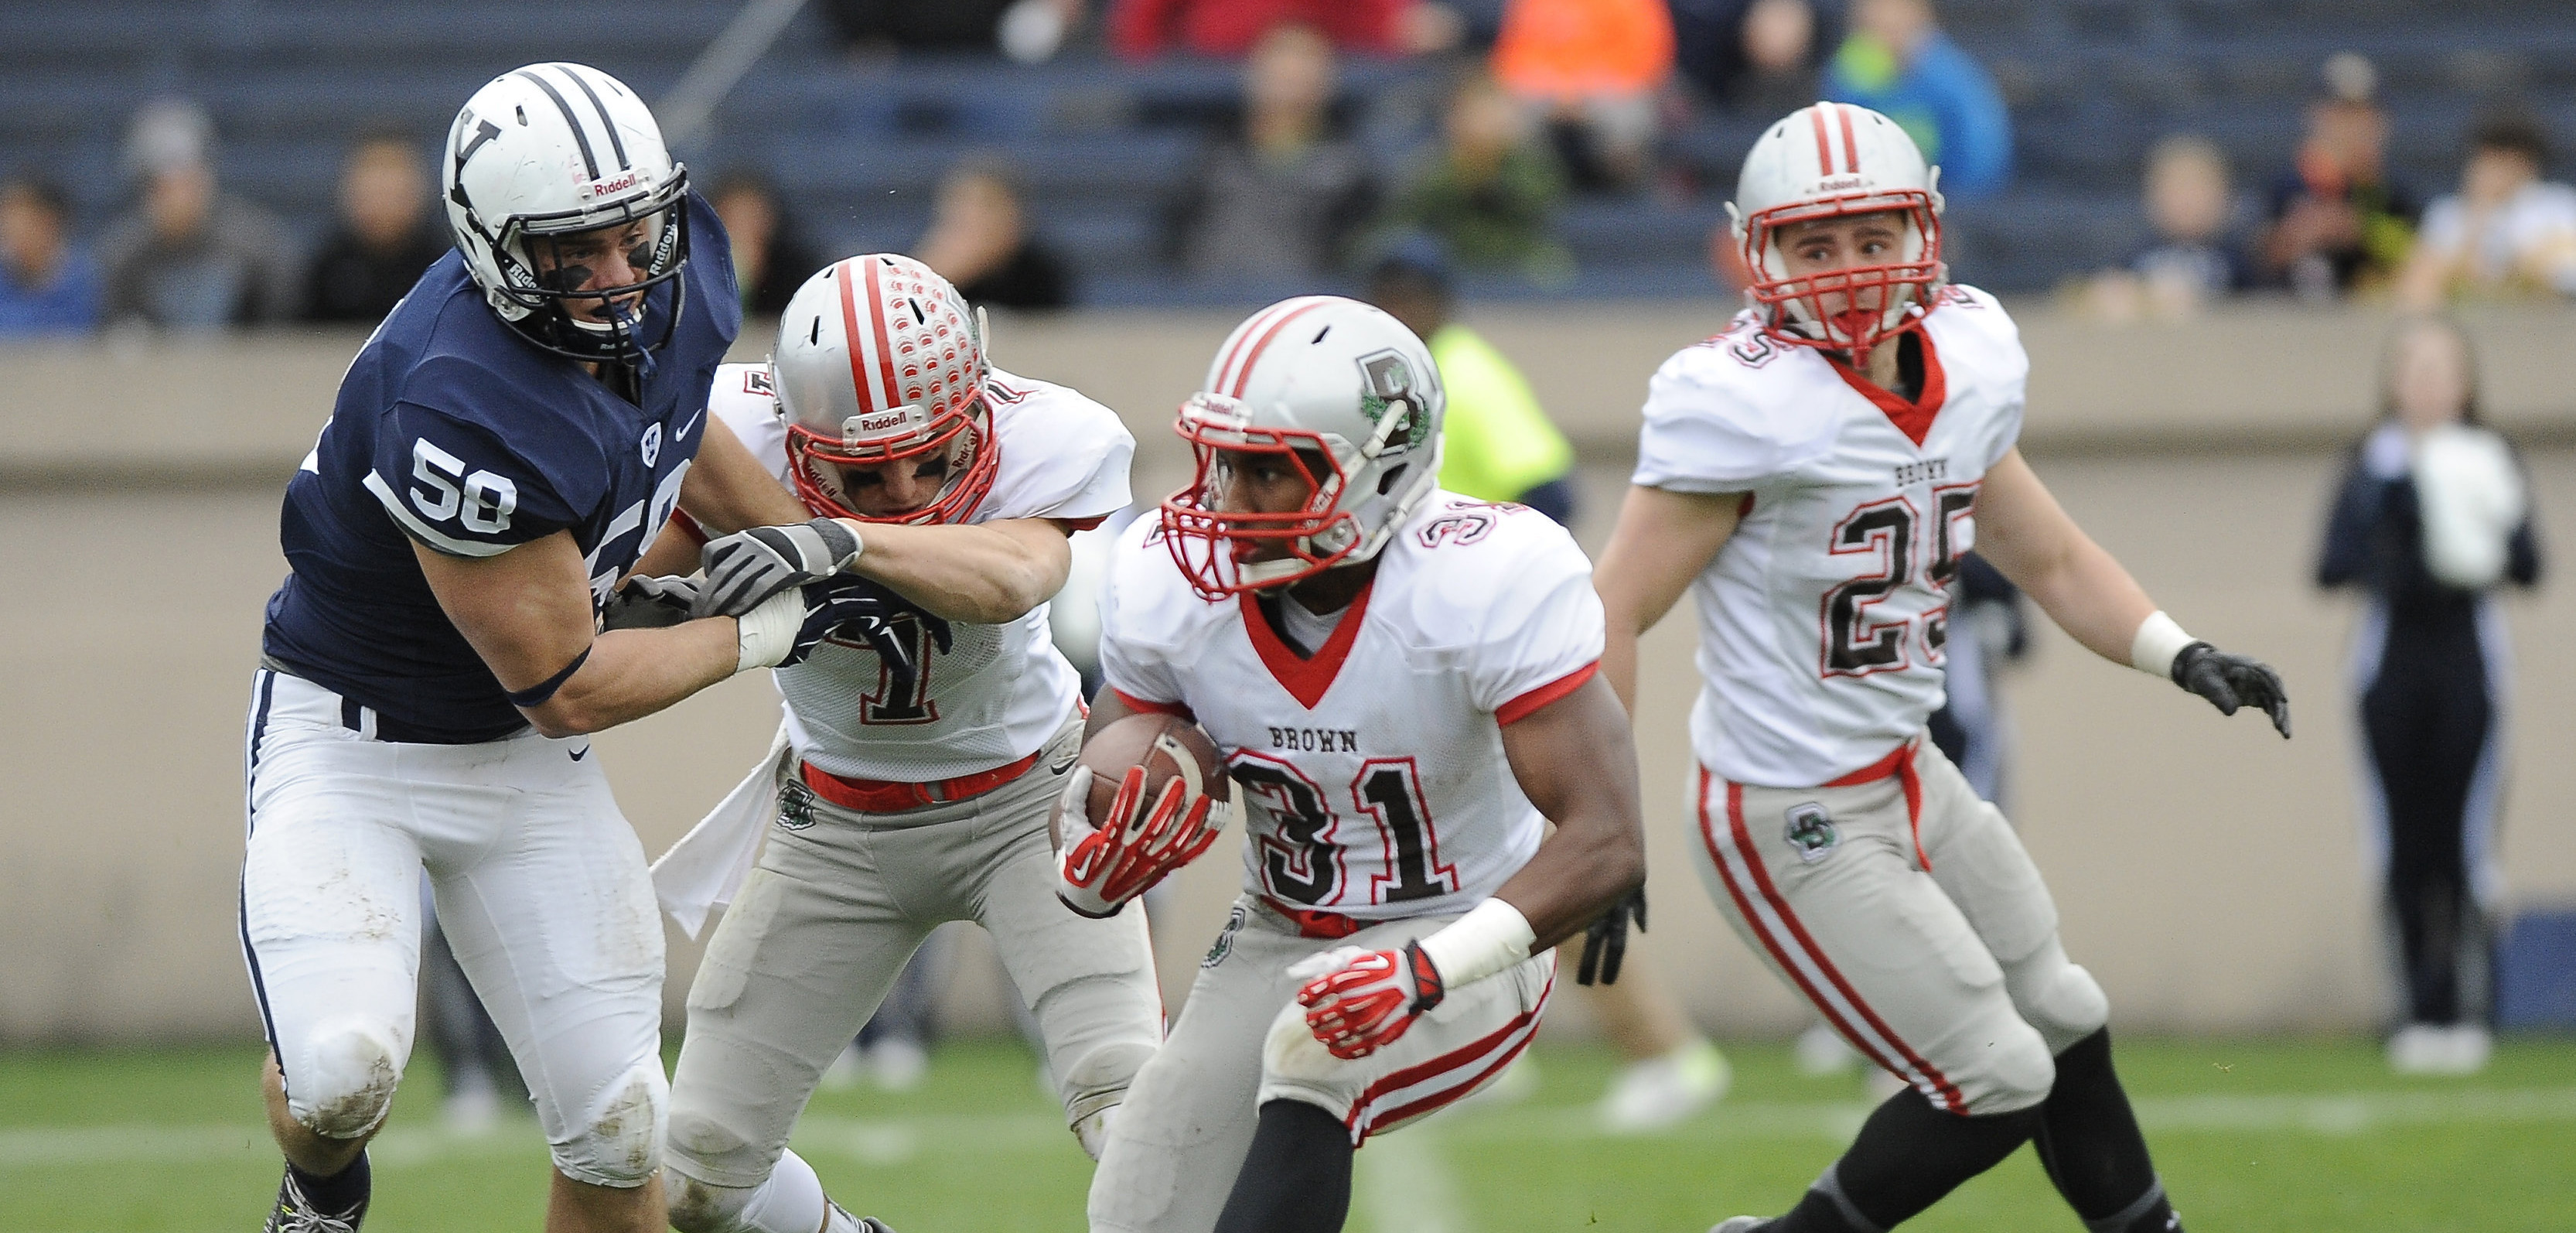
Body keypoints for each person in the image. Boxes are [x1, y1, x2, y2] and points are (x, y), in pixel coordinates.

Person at [1591, 102, 2291, 1233]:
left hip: (1907, 771)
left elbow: (2047, 553)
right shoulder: (1739, 402)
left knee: (2063, 1014)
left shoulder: (1964, 358)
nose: (1850, 270)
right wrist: (1603, 827)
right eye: (1813, 245)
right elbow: (1609, 609)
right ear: (1757, 252)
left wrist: (2179, 650)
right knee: (1994, 1075)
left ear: (1922, 233)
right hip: (1784, 809)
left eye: (1871, 237)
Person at [241, 62, 909, 1233]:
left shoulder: (681, 261)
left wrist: (804, 545)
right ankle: (321, 1186)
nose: (618, 275)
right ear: (495, 249)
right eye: (570, 253)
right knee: (341, 1073)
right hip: (360, 745)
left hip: (514, 766)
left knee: (616, 1128)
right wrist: (768, 625)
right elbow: (568, 686)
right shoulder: (455, 399)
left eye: (629, 232)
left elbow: (677, 419)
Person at [1079, 294, 1648, 1233]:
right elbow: (1120, 749)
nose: (1228, 501)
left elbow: (1608, 840)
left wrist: (1426, 968)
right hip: (1274, 929)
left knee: (1317, 1048)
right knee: (1138, 1210)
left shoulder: (1481, 579)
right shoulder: (1162, 578)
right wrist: (1095, 839)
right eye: (1225, 464)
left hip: (1459, 935)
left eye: (1272, 474)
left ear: (1378, 475)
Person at [643, 254, 1163, 1233]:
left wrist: (835, 535)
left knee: (1131, 1113)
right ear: (792, 436)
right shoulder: (728, 432)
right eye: (862, 474)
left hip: (1029, 810)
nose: (903, 488)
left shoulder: (1050, 432)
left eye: (933, 459)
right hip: (835, 828)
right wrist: (655, 584)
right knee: (696, 1177)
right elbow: (634, 576)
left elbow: (1016, 573)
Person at [2317, 316, 2542, 1077]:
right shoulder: (2370, 461)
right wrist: (2398, 516)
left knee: (2466, 845)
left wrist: (2474, 523)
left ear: (2467, 381)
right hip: (2389, 668)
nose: (2426, 382)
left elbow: (2527, 561)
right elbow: (2331, 563)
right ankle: (2412, 1007)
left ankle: (2468, 1009)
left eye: (2442, 367)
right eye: (2412, 367)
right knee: (2398, 845)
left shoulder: (2491, 454)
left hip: (2468, 664)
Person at [1366, 248, 1578, 523]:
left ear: (1440, 303)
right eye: (1384, 298)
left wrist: (1492, 560)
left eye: (1410, 298)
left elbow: (1549, 493)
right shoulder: (1398, 372)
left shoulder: (1468, 375)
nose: (1395, 311)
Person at [1165, 22, 1379, 281]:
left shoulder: (1351, 174)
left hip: (1306, 307)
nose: (1291, 77)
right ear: (1253, 75)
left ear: (1327, 81)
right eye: (1280, 64)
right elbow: (1174, 240)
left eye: (1304, 65)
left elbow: (1357, 254)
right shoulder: (1212, 162)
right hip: (1209, 307)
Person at [98, 99, 302, 329]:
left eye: (187, 183)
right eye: (163, 188)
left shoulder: (257, 245)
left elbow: (280, 325)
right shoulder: (124, 255)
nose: (177, 199)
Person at [1377, 73, 1572, 282]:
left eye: (1495, 114)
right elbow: (1405, 218)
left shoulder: (1531, 166)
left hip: (1521, 265)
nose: (1486, 125)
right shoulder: (1433, 168)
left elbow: (1535, 201)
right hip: (1453, 267)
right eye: (1478, 115)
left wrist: (1490, 178)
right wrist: (1466, 173)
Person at [2256, 53, 2417, 300]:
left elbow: (2413, 253)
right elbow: (2251, 260)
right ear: (2316, 115)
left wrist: (2360, 230)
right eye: (2342, 113)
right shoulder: (2282, 186)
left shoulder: (2391, 192)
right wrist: (2293, 237)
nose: (2352, 127)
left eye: (2363, 114)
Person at [1821, 0, 2011, 200]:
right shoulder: (1848, 74)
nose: (1888, 26)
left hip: (1949, 201)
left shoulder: (1951, 77)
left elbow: (1980, 161)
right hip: (1870, 199)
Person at [2394, 113, 2576, 310]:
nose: (2503, 167)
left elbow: (2563, 268)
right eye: (2494, 157)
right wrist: (2477, 215)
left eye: (2513, 157)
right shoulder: (2448, 213)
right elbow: (2415, 286)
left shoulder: (2556, 203)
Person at [1489, 0, 1674, 193]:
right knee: (1501, 116)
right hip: (1545, 89)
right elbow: (1512, 57)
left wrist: (1587, 84)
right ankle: (1529, 193)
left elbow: (1648, 54)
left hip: (1611, 88)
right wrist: (1561, 87)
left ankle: (1620, 194)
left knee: (1627, 119)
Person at [2083, 135, 2249, 322]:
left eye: (2199, 191)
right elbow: (2114, 284)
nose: (2187, 203)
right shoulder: (2141, 253)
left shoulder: (2237, 257)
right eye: (2176, 191)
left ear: (2226, 200)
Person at [302, 133, 452, 326]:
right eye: (373, 187)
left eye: (392, 188)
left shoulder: (444, 267)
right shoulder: (327, 268)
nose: (381, 199)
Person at [916, 159, 1075, 311]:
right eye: (963, 209)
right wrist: (935, 278)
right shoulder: (930, 273)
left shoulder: (1040, 275)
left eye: (987, 207)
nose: (975, 217)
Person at [1111, 0, 1463, 58]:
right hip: (1206, 94)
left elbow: (1379, 16)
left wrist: (1400, 24)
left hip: (1322, 95)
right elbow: (1139, 25)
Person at [711, 169, 822, 320]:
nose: (745, 227)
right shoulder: (702, 276)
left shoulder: (795, 273)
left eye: (753, 218)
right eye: (737, 219)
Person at [0, 176, 101, 335]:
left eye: (24, 224)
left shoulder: (84, 280)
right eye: (7, 224)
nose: (12, 233)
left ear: (50, 222)